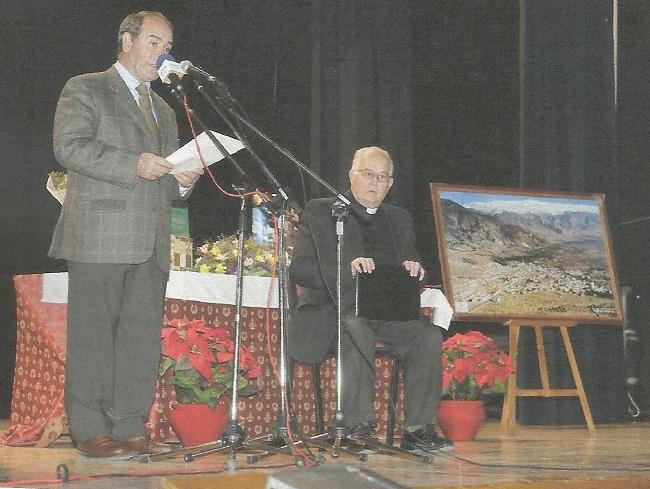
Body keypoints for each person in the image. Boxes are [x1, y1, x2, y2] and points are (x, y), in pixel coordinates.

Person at [48, 11, 202, 458]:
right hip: (99, 233)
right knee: (94, 335)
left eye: (167, 46)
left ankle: (131, 423)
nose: (162, 54)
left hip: (151, 240)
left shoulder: (166, 109)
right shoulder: (87, 87)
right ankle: (91, 428)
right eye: (154, 43)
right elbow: (70, 146)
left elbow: (167, 179)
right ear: (126, 40)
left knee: (139, 337)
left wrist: (185, 181)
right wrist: (133, 163)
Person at [288, 146, 453, 452]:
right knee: (356, 328)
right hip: (335, 312)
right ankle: (354, 427)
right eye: (368, 174)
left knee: (428, 336)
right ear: (352, 175)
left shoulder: (399, 218)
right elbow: (299, 269)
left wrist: (416, 269)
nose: (374, 182)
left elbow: (416, 263)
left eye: (382, 177)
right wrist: (345, 269)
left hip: (389, 315)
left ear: (390, 184)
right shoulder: (321, 211)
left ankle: (418, 429)